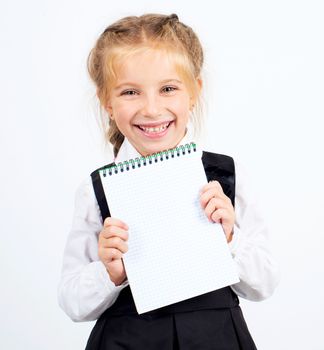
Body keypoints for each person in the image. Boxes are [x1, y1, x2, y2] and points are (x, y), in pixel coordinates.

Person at [57, 13, 280, 349]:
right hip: (127, 340)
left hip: (216, 339)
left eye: (168, 89)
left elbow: (264, 284)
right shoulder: (96, 190)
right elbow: (72, 302)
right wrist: (110, 272)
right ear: (107, 101)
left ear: (193, 92)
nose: (151, 109)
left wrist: (231, 238)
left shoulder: (227, 176)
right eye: (130, 91)